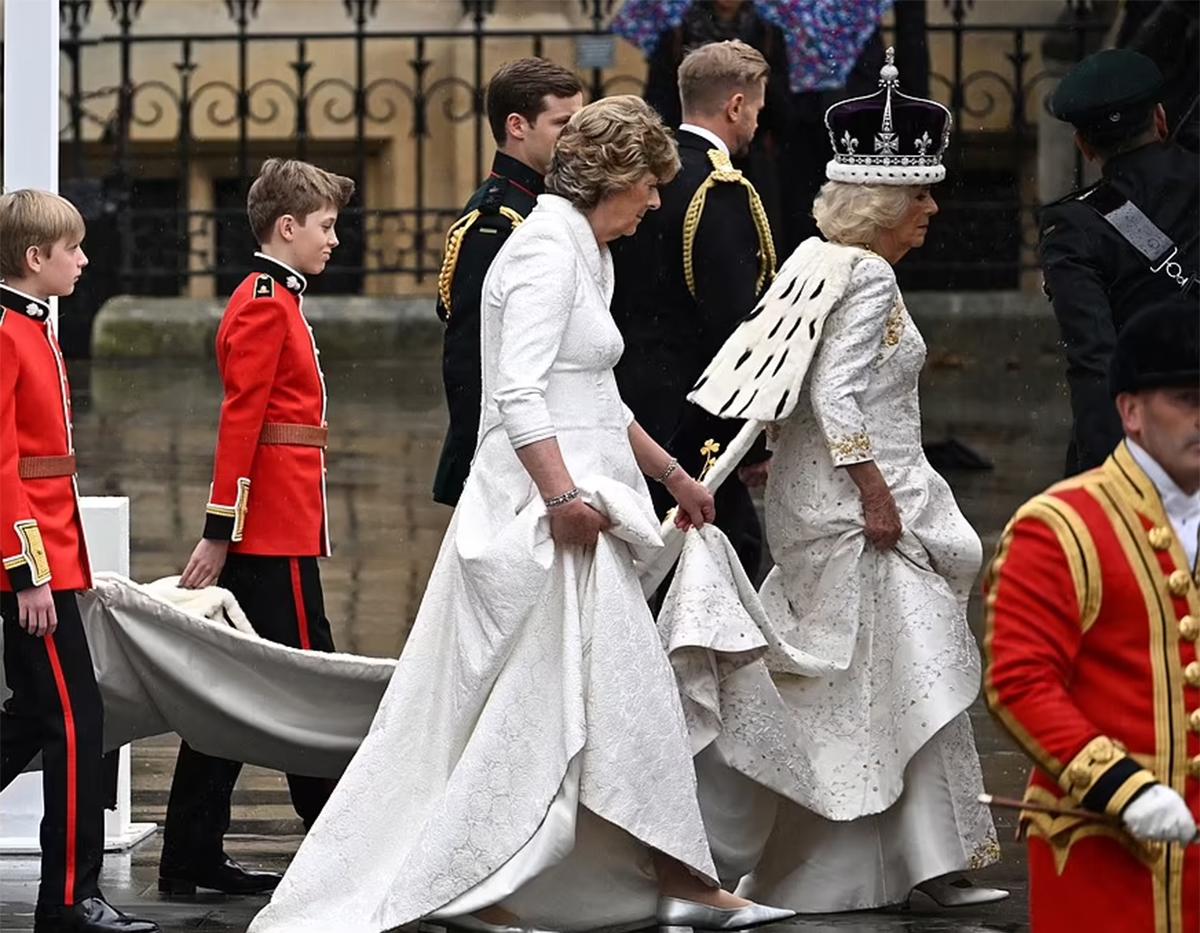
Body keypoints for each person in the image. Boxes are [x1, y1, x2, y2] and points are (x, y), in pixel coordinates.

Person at [248, 96, 793, 933]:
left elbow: (599, 395)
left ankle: (642, 878)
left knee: (608, 704)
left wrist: (675, 475)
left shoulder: (587, 251)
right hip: (544, 521)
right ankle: (509, 881)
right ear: (612, 179)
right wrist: (562, 497)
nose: (654, 203)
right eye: (648, 186)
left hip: (583, 507)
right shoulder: (544, 251)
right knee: (569, 709)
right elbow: (518, 390)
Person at [689, 50, 1006, 911]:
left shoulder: (823, 257)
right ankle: (904, 867)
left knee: (876, 683)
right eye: (921, 197)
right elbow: (832, 393)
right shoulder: (867, 275)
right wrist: (875, 493)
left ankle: (905, 865)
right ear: (885, 205)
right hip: (860, 512)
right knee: (905, 672)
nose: (934, 209)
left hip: (823, 501)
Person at [158, 158, 355, 898]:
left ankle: (189, 854)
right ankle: (343, 838)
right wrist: (222, 529)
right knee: (309, 685)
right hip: (268, 531)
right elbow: (241, 423)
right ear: (287, 227)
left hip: (279, 523)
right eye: (326, 226)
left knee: (235, 692)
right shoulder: (266, 303)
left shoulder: (278, 298)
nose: (334, 240)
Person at [984, 303, 1199, 933]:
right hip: (1108, 854)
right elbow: (1021, 683)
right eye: (1187, 398)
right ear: (1131, 411)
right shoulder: (1060, 525)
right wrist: (1124, 787)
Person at [0, 190, 158, 933]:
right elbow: (4, 469)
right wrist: (28, 573)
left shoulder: (31, 329)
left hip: (52, 557)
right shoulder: (7, 332)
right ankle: (67, 899)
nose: (85, 259)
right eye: (74, 249)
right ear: (37, 259)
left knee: (36, 714)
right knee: (75, 718)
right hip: (32, 566)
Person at [611, 39, 775, 579]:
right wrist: (750, 445)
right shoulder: (719, 187)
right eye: (755, 109)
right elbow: (732, 326)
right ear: (734, 106)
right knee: (724, 563)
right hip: (692, 415)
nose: (754, 122)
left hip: (625, 398)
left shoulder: (648, 174)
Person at [1039, 47, 1198, 476]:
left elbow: (1094, 360)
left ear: (1084, 146)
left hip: (1154, 442)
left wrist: (1111, 473)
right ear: (1160, 118)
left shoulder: (1074, 228)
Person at [432, 58, 583, 507]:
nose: (575, 139)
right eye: (563, 124)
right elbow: (470, 356)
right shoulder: (497, 221)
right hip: (508, 457)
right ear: (518, 126)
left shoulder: (552, 203)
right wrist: (482, 463)